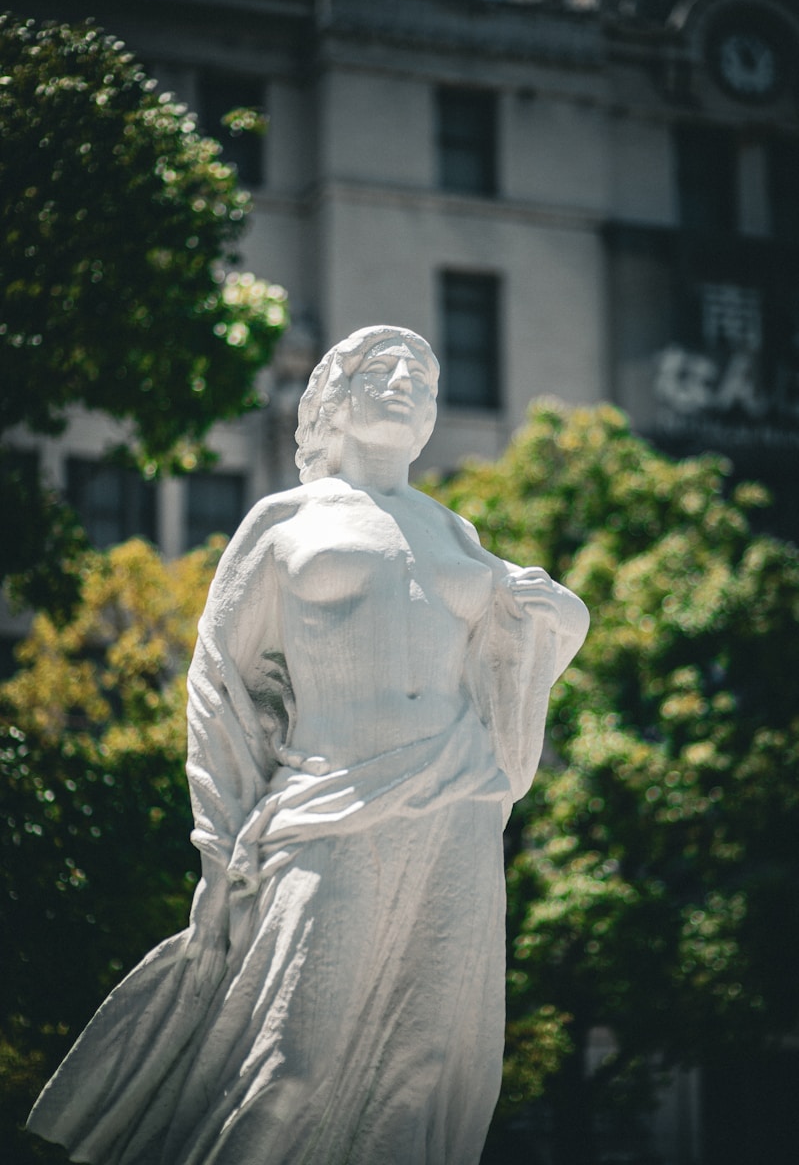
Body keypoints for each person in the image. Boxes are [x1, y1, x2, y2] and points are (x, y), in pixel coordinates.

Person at [28, 326, 589, 1165]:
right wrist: (221, 849)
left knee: (421, 1071)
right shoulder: (283, 522)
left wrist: (553, 612)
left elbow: (526, 643)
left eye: (425, 375)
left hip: (456, 808)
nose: (407, 381)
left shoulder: (455, 534)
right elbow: (219, 685)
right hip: (327, 807)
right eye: (382, 368)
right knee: (287, 1063)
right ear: (331, 396)